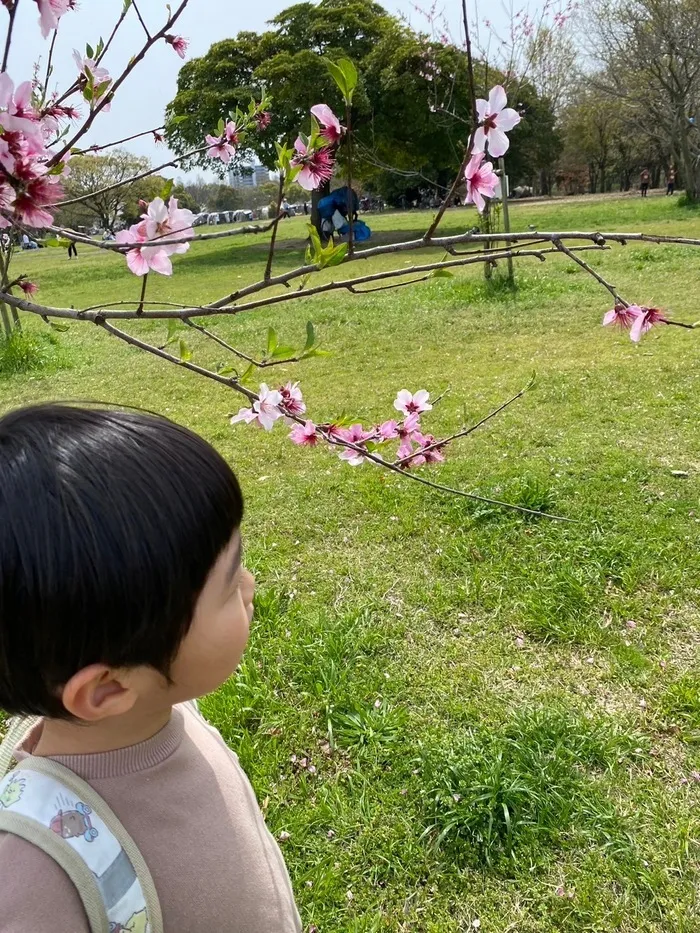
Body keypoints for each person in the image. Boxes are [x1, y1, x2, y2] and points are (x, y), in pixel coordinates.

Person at [0, 404, 301, 933]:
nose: (250, 587)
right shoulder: (35, 873)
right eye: (229, 585)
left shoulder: (161, 709)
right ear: (108, 688)